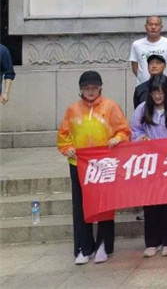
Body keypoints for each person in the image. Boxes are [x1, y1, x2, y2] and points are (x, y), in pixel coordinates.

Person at [57, 71, 130, 265]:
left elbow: (124, 130)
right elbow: (63, 135)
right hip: (79, 164)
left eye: (94, 88)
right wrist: (67, 148)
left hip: (104, 164)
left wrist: (118, 138)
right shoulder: (73, 110)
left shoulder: (110, 107)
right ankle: (84, 247)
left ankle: (104, 246)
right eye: (86, 88)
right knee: (81, 206)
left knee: (105, 204)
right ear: (80, 90)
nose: (90, 91)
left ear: (100, 88)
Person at [131, 75, 167, 258]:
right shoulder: (142, 109)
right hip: (150, 162)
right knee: (151, 202)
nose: (157, 96)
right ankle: (152, 242)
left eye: (161, 92)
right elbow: (135, 131)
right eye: (154, 92)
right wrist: (142, 139)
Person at [129, 16, 167, 85]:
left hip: (163, 86)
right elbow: (134, 66)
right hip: (143, 86)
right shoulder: (136, 44)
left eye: (156, 25)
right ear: (145, 27)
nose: (153, 27)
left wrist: (165, 80)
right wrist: (142, 79)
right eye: (150, 24)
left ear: (161, 27)